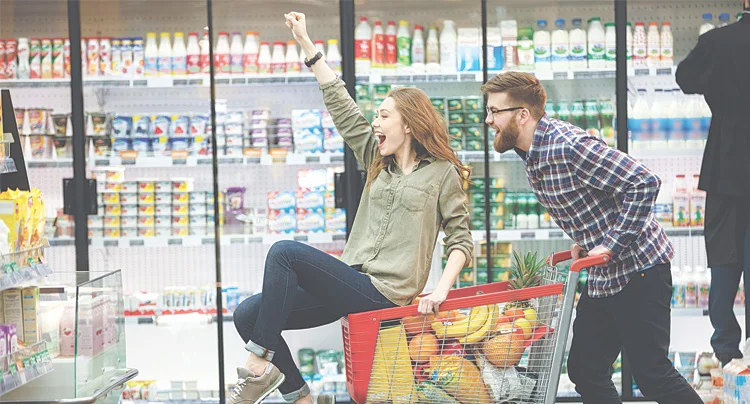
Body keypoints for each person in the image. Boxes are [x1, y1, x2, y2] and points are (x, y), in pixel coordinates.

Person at [227, 11, 474, 404]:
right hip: (351, 281)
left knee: (284, 252)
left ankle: (257, 367)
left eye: (383, 115)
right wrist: (307, 45)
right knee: (246, 316)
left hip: (386, 293)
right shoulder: (378, 161)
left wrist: (440, 290)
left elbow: (461, 239)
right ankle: (300, 396)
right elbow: (343, 108)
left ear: (408, 124)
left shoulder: (442, 173)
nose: (375, 121)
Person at [481, 71, 702, 403]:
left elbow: (643, 183)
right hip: (604, 275)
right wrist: (588, 239)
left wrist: (610, 243)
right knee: (585, 369)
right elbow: (596, 198)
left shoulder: (568, 145)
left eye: (494, 111)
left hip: (640, 269)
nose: (488, 120)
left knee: (652, 373)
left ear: (522, 115)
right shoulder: (532, 152)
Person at [676, 1, 750, 367]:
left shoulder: (718, 42)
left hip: (726, 160)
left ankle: (727, 348)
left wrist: (719, 83)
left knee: (723, 253)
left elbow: (685, 78)